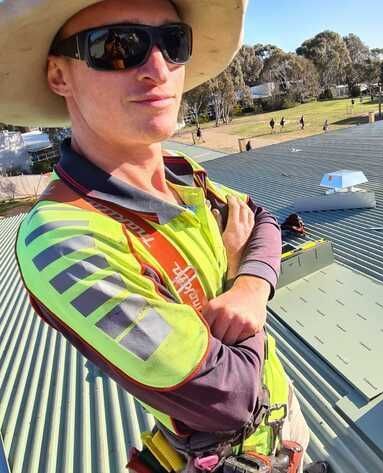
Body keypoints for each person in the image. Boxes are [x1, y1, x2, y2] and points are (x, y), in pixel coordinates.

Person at [2, 1, 327, 472]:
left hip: (286, 424)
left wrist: (250, 288)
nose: (158, 68)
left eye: (173, 43)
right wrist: (237, 267)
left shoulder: (183, 174)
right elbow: (229, 396)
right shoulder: (61, 235)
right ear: (59, 75)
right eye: (118, 47)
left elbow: (265, 221)